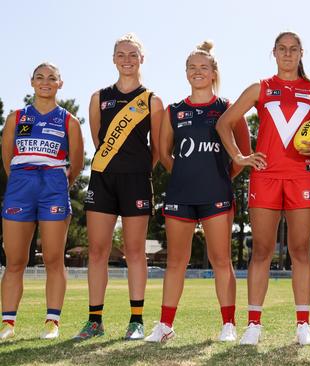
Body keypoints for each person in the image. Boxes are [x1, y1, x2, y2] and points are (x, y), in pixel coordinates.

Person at [217, 31, 310, 346]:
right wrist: (240, 156)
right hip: (265, 177)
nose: (288, 54)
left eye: (294, 49)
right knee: (262, 251)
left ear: (301, 53)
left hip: (302, 177)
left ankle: (303, 325)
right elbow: (224, 123)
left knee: (300, 251)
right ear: (274, 52)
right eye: (282, 49)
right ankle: (254, 325)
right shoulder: (261, 88)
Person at [144, 41, 251, 343]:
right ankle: (165, 325)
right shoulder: (174, 111)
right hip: (180, 196)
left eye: (204, 67)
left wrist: (219, 176)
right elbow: (165, 154)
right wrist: (185, 175)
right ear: (185, 73)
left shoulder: (227, 108)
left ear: (214, 71)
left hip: (217, 195)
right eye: (192, 68)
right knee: (176, 261)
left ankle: (228, 325)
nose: (198, 72)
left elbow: (243, 154)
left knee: (221, 260)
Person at [75, 33, 164, 341]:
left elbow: (157, 148)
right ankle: (94, 321)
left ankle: (136, 320)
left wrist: (137, 171)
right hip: (103, 178)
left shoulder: (152, 100)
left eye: (133, 54)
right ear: (114, 59)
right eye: (121, 54)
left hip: (137, 181)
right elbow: (100, 142)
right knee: (97, 250)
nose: (127, 59)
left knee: (134, 251)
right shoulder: (98, 97)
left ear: (142, 59)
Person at [0, 63, 84, 340]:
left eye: (51, 78)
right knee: (15, 261)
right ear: (31, 82)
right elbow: (7, 159)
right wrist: (22, 181)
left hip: (53, 187)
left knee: (53, 258)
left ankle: (52, 322)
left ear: (60, 84)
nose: (45, 82)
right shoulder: (16, 117)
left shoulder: (69, 120)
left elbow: (77, 163)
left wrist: (57, 185)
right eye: (40, 77)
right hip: (20, 187)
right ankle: (8, 324)